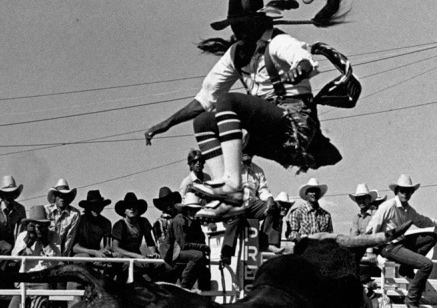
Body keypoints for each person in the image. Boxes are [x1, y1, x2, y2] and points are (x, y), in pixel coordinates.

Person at [144, 0, 345, 220]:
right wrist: (166, 124)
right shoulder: (236, 54)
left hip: (293, 124)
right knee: (202, 122)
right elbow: (204, 98)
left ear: (258, 22)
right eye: (234, 25)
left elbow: (304, 60)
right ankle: (229, 196)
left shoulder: (278, 42)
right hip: (267, 135)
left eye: (242, 24)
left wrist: (299, 70)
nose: (237, 30)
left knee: (229, 102)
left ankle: (233, 185)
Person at [366, 174, 437, 308]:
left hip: (401, 244)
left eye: (408, 191)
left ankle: (407, 267)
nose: (405, 194)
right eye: (403, 191)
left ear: (411, 193)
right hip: (388, 247)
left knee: (430, 237)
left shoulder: (408, 210)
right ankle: (412, 299)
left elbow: (423, 221)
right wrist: (370, 251)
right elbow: (373, 226)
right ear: (397, 191)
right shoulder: (388, 206)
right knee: (426, 264)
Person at [5, 205, 61, 308]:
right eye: (35, 224)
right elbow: (14, 260)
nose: (38, 228)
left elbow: (56, 261)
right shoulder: (23, 236)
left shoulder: (53, 237)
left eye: (41, 225)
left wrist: (45, 242)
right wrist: (27, 243)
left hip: (42, 280)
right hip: (24, 280)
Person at [220, 153, 282, 266]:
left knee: (276, 206)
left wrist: (269, 199)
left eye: (249, 151)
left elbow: (263, 189)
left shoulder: (258, 170)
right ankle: (226, 253)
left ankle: (267, 243)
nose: (245, 154)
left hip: (252, 205)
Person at [167, 193, 211, 292]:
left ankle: (206, 297)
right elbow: (183, 245)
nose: (193, 212)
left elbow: (200, 239)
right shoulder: (179, 221)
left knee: (204, 269)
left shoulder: (195, 222)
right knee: (198, 256)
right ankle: (185, 288)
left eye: (195, 209)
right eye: (190, 209)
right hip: (173, 253)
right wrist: (203, 247)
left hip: (185, 253)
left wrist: (203, 249)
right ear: (185, 209)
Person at [111, 192, 160, 282]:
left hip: (137, 255)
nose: (132, 209)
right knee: (126, 264)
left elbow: (150, 241)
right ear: (124, 210)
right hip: (122, 256)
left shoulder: (143, 222)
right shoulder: (119, 225)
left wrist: (153, 253)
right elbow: (115, 248)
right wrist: (136, 256)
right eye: (128, 207)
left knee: (158, 265)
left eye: (134, 206)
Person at [0, 175, 26, 259]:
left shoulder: (20, 209)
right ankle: (0, 270)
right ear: (2, 195)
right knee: (8, 248)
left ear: (15, 195)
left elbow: (22, 230)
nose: (9, 196)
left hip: (12, 239)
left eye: (12, 193)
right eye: (7, 194)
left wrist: (20, 246)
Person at [45, 179, 81, 257]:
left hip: (62, 252)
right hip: (45, 251)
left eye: (65, 196)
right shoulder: (46, 211)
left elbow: (70, 238)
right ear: (55, 197)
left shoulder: (74, 214)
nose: (62, 198)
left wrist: (63, 257)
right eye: (60, 195)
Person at [151, 186, 183, 257]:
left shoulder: (182, 218)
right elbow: (161, 245)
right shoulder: (158, 223)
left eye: (169, 200)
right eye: (164, 201)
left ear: (174, 201)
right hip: (169, 254)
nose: (168, 203)